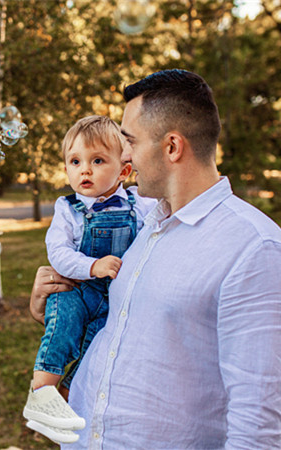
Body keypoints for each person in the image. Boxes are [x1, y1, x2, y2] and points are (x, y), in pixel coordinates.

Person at [29, 69, 281, 448]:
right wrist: (50, 308)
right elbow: (130, 327)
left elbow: (260, 425)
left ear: (172, 147)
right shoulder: (148, 225)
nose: (124, 155)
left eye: (129, 141)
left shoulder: (254, 249)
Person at [22, 116, 156, 444]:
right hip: (78, 288)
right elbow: (58, 253)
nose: (85, 170)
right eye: (75, 161)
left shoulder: (140, 203)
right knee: (63, 327)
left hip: (114, 298)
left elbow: (171, 206)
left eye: (97, 161)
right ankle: (42, 391)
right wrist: (92, 266)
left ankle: (65, 397)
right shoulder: (67, 208)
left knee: (95, 348)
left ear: (124, 171)